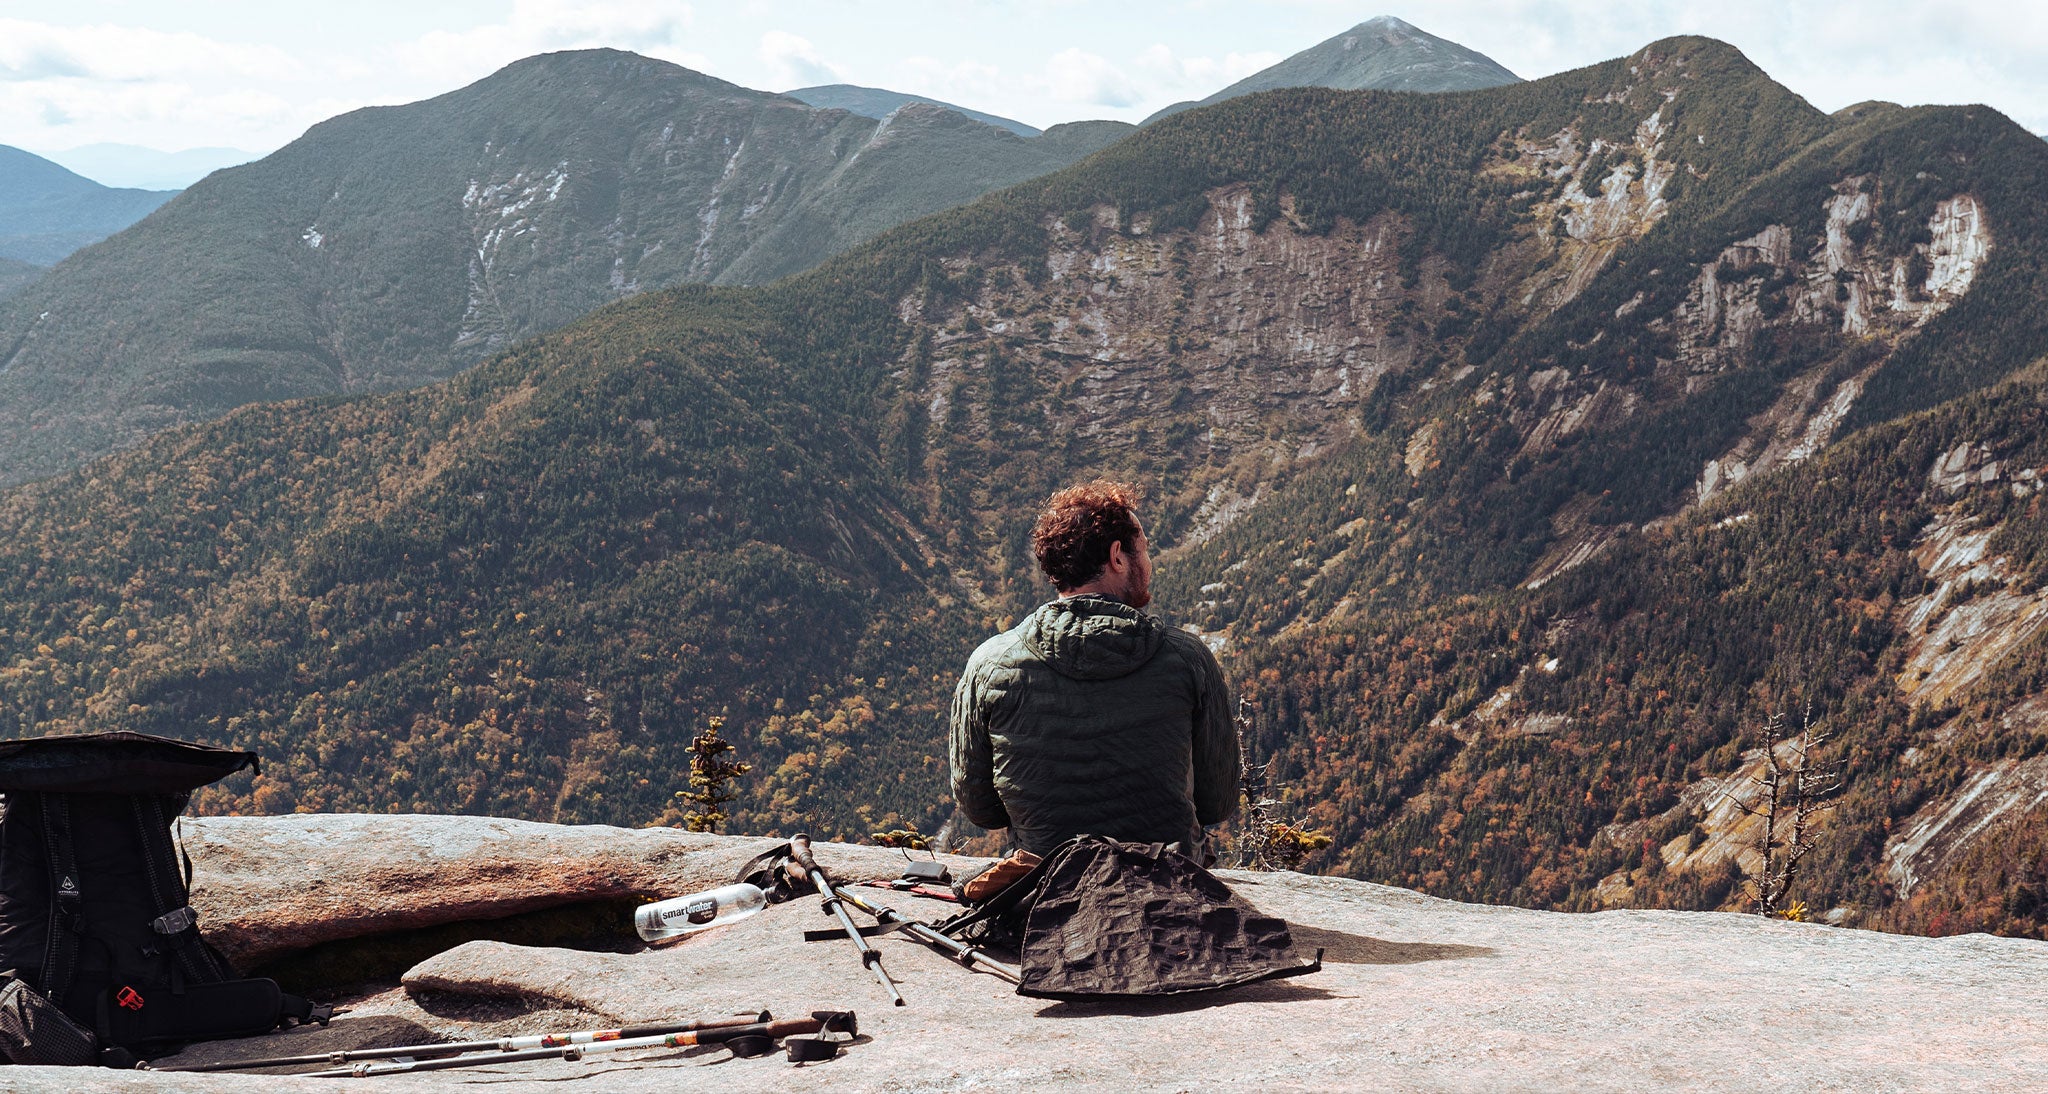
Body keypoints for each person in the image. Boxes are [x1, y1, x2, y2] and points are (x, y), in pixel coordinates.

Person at [949, 480, 1238, 869]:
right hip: (1169, 888)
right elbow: (1217, 801)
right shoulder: (1187, 659)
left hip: (1044, 887)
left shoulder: (990, 664)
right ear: (1117, 556)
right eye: (1145, 550)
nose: (1149, 564)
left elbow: (979, 807)